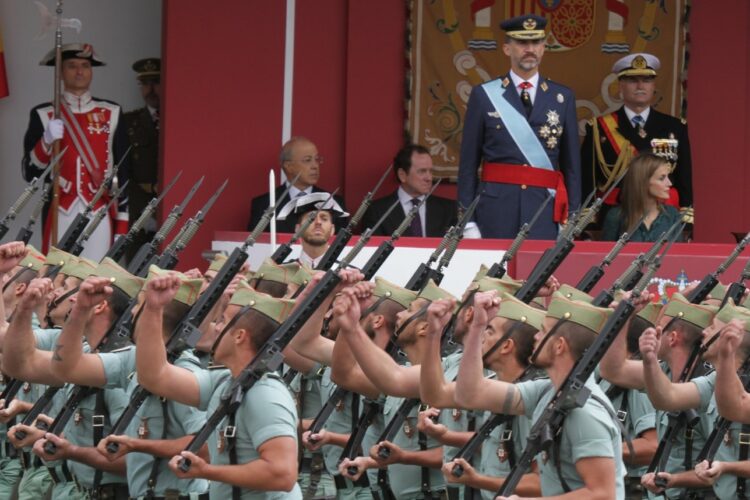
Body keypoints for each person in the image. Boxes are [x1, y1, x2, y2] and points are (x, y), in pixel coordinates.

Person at [455, 292, 625, 499]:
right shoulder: (547, 391)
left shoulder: (585, 412)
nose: (535, 336)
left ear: (559, 345)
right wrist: (477, 328)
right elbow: (470, 394)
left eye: (543, 332)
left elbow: (602, 494)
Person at [458, 14, 581, 240]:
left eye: (536, 43)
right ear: (507, 49)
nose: (530, 49)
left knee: (540, 275)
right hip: (495, 210)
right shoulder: (484, 95)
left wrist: (571, 218)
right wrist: (468, 220)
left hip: (545, 209)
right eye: (522, 43)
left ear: (544, 48)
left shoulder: (562, 97)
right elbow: (468, 165)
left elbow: (572, 166)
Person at [22, 43, 130, 260]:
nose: (79, 71)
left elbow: (124, 173)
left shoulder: (112, 112)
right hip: (60, 207)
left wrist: (122, 225)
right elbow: (30, 172)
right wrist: (46, 141)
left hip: (100, 210)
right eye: (72, 66)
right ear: (61, 72)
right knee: (57, 274)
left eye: (85, 65)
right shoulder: (44, 114)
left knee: (96, 278)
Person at [581, 52, 693, 212]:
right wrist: (589, 223)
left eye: (647, 80)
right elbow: (587, 181)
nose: (640, 86)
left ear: (653, 86)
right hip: (616, 213)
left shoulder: (675, 127)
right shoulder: (599, 128)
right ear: (620, 86)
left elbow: (684, 179)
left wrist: (686, 221)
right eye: (632, 80)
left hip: (665, 215)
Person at [247, 137, 346, 234]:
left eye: (316, 159)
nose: (315, 166)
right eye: (307, 160)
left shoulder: (334, 202)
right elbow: (255, 244)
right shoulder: (264, 204)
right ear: (288, 166)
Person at [361, 144, 456, 237]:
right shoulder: (377, 211)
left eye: (430, 171)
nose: (429, 178)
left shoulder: (449, 209)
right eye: (422, 171)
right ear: (402, 175)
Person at [123, 57, 161, 261]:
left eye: (156, 81)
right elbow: (124, 170)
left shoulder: (177, 118)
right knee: (134, 265)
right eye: (145, 83)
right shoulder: (130, 122)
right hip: (138, 203)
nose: (151, 89)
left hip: (170, 200)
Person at [601, 153, 683, 242]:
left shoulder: (672, 214)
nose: (669, 183)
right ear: (643, 181)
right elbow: (606, 254)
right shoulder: (616, 216)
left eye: (668, 177)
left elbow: (679, 254)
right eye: (661, 178)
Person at [275, 192, 348, 268]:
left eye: (324, 218)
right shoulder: (282, 271)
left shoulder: (345, 273)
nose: (318, 222)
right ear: (298, 229)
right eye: (311, 218)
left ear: (332, 229)